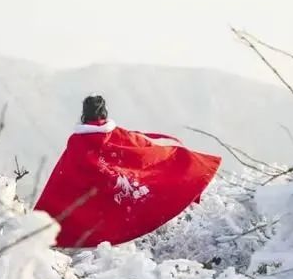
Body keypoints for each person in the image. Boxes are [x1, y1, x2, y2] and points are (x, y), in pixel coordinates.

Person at [33, 94, 222, 248]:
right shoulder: (117, 134)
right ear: (104, 112)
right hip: (119, 196)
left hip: (91, 207)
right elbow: (142, 150)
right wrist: (169, 153)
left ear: (84, 114)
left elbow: (64, 176)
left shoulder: (77, 141)